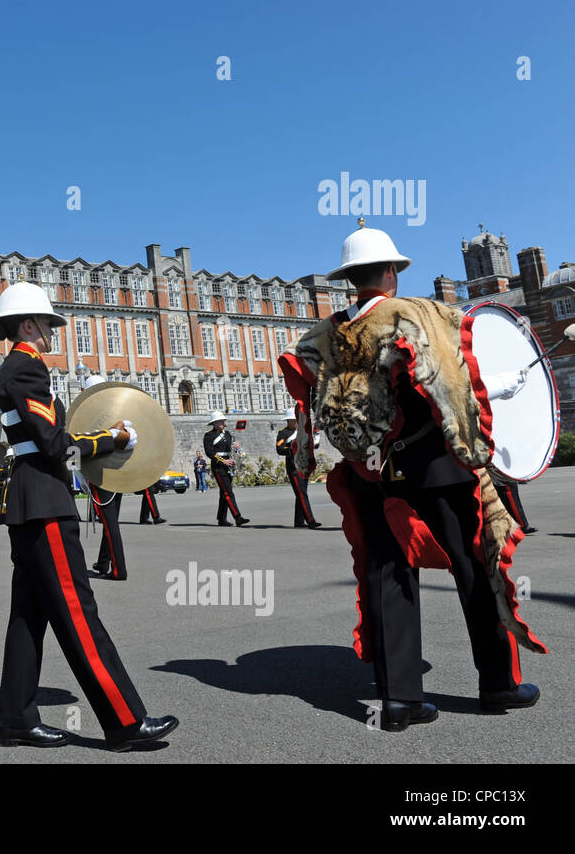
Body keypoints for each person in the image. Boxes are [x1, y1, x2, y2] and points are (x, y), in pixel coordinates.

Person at [278, 220, 544, 731]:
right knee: (477, 567)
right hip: (435, 467)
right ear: (393, 271)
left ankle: (398, 699)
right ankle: (498, 685)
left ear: (350, 278)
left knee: (388, 575)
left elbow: (309, 405)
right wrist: (484, 425)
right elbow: (451, 382)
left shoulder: (323, 335)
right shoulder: (419, 313)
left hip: (370, 471)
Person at [0, 282, 178, 750]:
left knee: (29, 616)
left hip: (27, 502)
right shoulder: (26, 369)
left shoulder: (18, 369)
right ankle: (125, 721)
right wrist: (111, 438)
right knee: (77, 611)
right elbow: (54, 446)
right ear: (28, 325)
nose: (52, 331)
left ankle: (15, 719)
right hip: (44, 502)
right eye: (47, 323)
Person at [276, 410, 321, 529]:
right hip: (293, 466)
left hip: (304, 464)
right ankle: (310, 520)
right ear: (289, 421)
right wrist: (292, 448)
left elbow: (314, 445)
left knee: (301, 493)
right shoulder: (284, 433)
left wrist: (315, 439)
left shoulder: (303, 431)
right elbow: (280, 449)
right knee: (302, 493)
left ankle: (299, 520)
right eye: (295, 420)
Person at [204, 412, 248, 527]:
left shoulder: (228, 434)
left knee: (224, 493)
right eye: (219, 421)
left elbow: (231, 449)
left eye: (223, 421)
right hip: (218, 466)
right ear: (214, 423)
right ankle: (237, 517)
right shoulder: (209, 435)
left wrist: (237, 447)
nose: (222, 423)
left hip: (229, 466)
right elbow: (210, 452)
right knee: (228, 492)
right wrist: (223, 461)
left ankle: (221, 519)